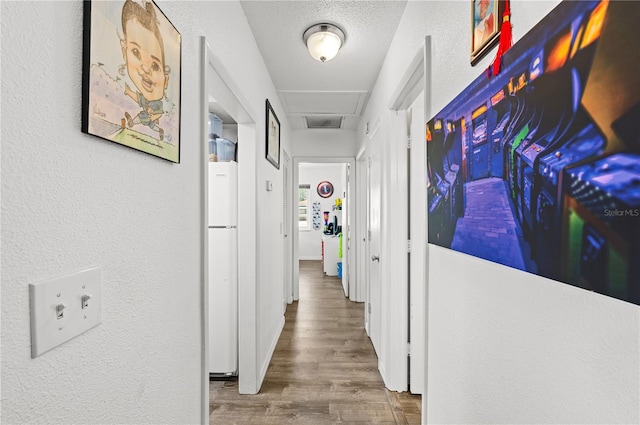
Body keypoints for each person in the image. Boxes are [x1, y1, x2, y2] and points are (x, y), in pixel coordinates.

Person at [120, 0, 169, 141]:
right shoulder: (145, 100)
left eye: (155, 66)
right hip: (144, 117)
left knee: (152, 126)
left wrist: (152, 115)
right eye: (135, 52)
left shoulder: (156, 103)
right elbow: (138, 98)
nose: (146, 69)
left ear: (166, 81)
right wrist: (129, 92)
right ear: (124, 50)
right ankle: (131, 122)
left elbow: (159, 113)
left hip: (150, 120)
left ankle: (159, 131)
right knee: (138, 119)